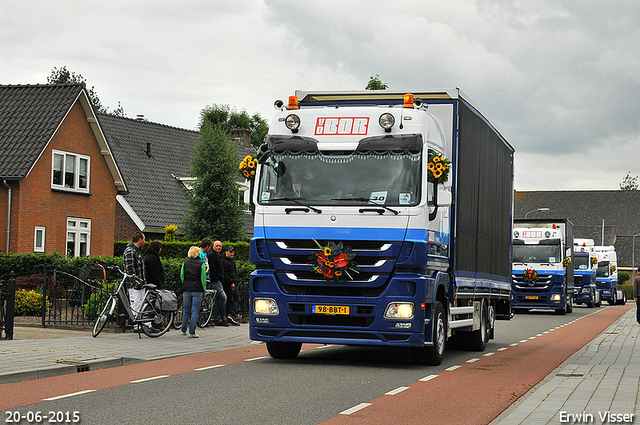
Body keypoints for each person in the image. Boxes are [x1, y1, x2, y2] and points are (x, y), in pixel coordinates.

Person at [180, 246, 207, 338]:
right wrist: (204, 292)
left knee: (186, 310)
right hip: (197, 289)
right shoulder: (201, 264)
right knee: (195, 310)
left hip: (187, 289)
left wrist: (186, 283)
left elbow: (182, 275)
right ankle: (192, 332)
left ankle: (183, 329)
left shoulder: (185, 262)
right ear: (198, 254)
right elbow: (203, 279)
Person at [123, 231, 147, 331]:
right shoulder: (131, 251)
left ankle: (141, 324)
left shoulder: (135, 250)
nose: (145, 242)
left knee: (140, 304)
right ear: (140, 240)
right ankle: (137, 326)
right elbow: (130, 270)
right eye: (144, 239)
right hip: (135, 285)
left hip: (139, 284)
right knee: (135, 304)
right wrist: (135, 282)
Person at [209, 240, 228, 326]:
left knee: (216, 300)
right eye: (217, 246)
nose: (218, 247)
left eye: (220, 246)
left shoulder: (218, 256)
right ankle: (221, 318)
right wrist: (216, 279)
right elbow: (212, 268)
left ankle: (218, 319)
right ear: (213, 247)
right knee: (223, 297)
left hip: (219, 280)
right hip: (216, 281)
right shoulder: (212, 256)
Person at [221, 245, 241, 326]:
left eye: (233, 252)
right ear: (226, 252)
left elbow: (234, 272)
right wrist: (231, 282)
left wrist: (235, 280)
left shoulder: (232, 261)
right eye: (230, 252)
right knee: (230, 300)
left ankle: (231, 315)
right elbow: (225, 274)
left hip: (233, 283)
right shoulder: (223, 261)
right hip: (228, 284)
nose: (232, 254)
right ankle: (230, 314)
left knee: (236, 299)